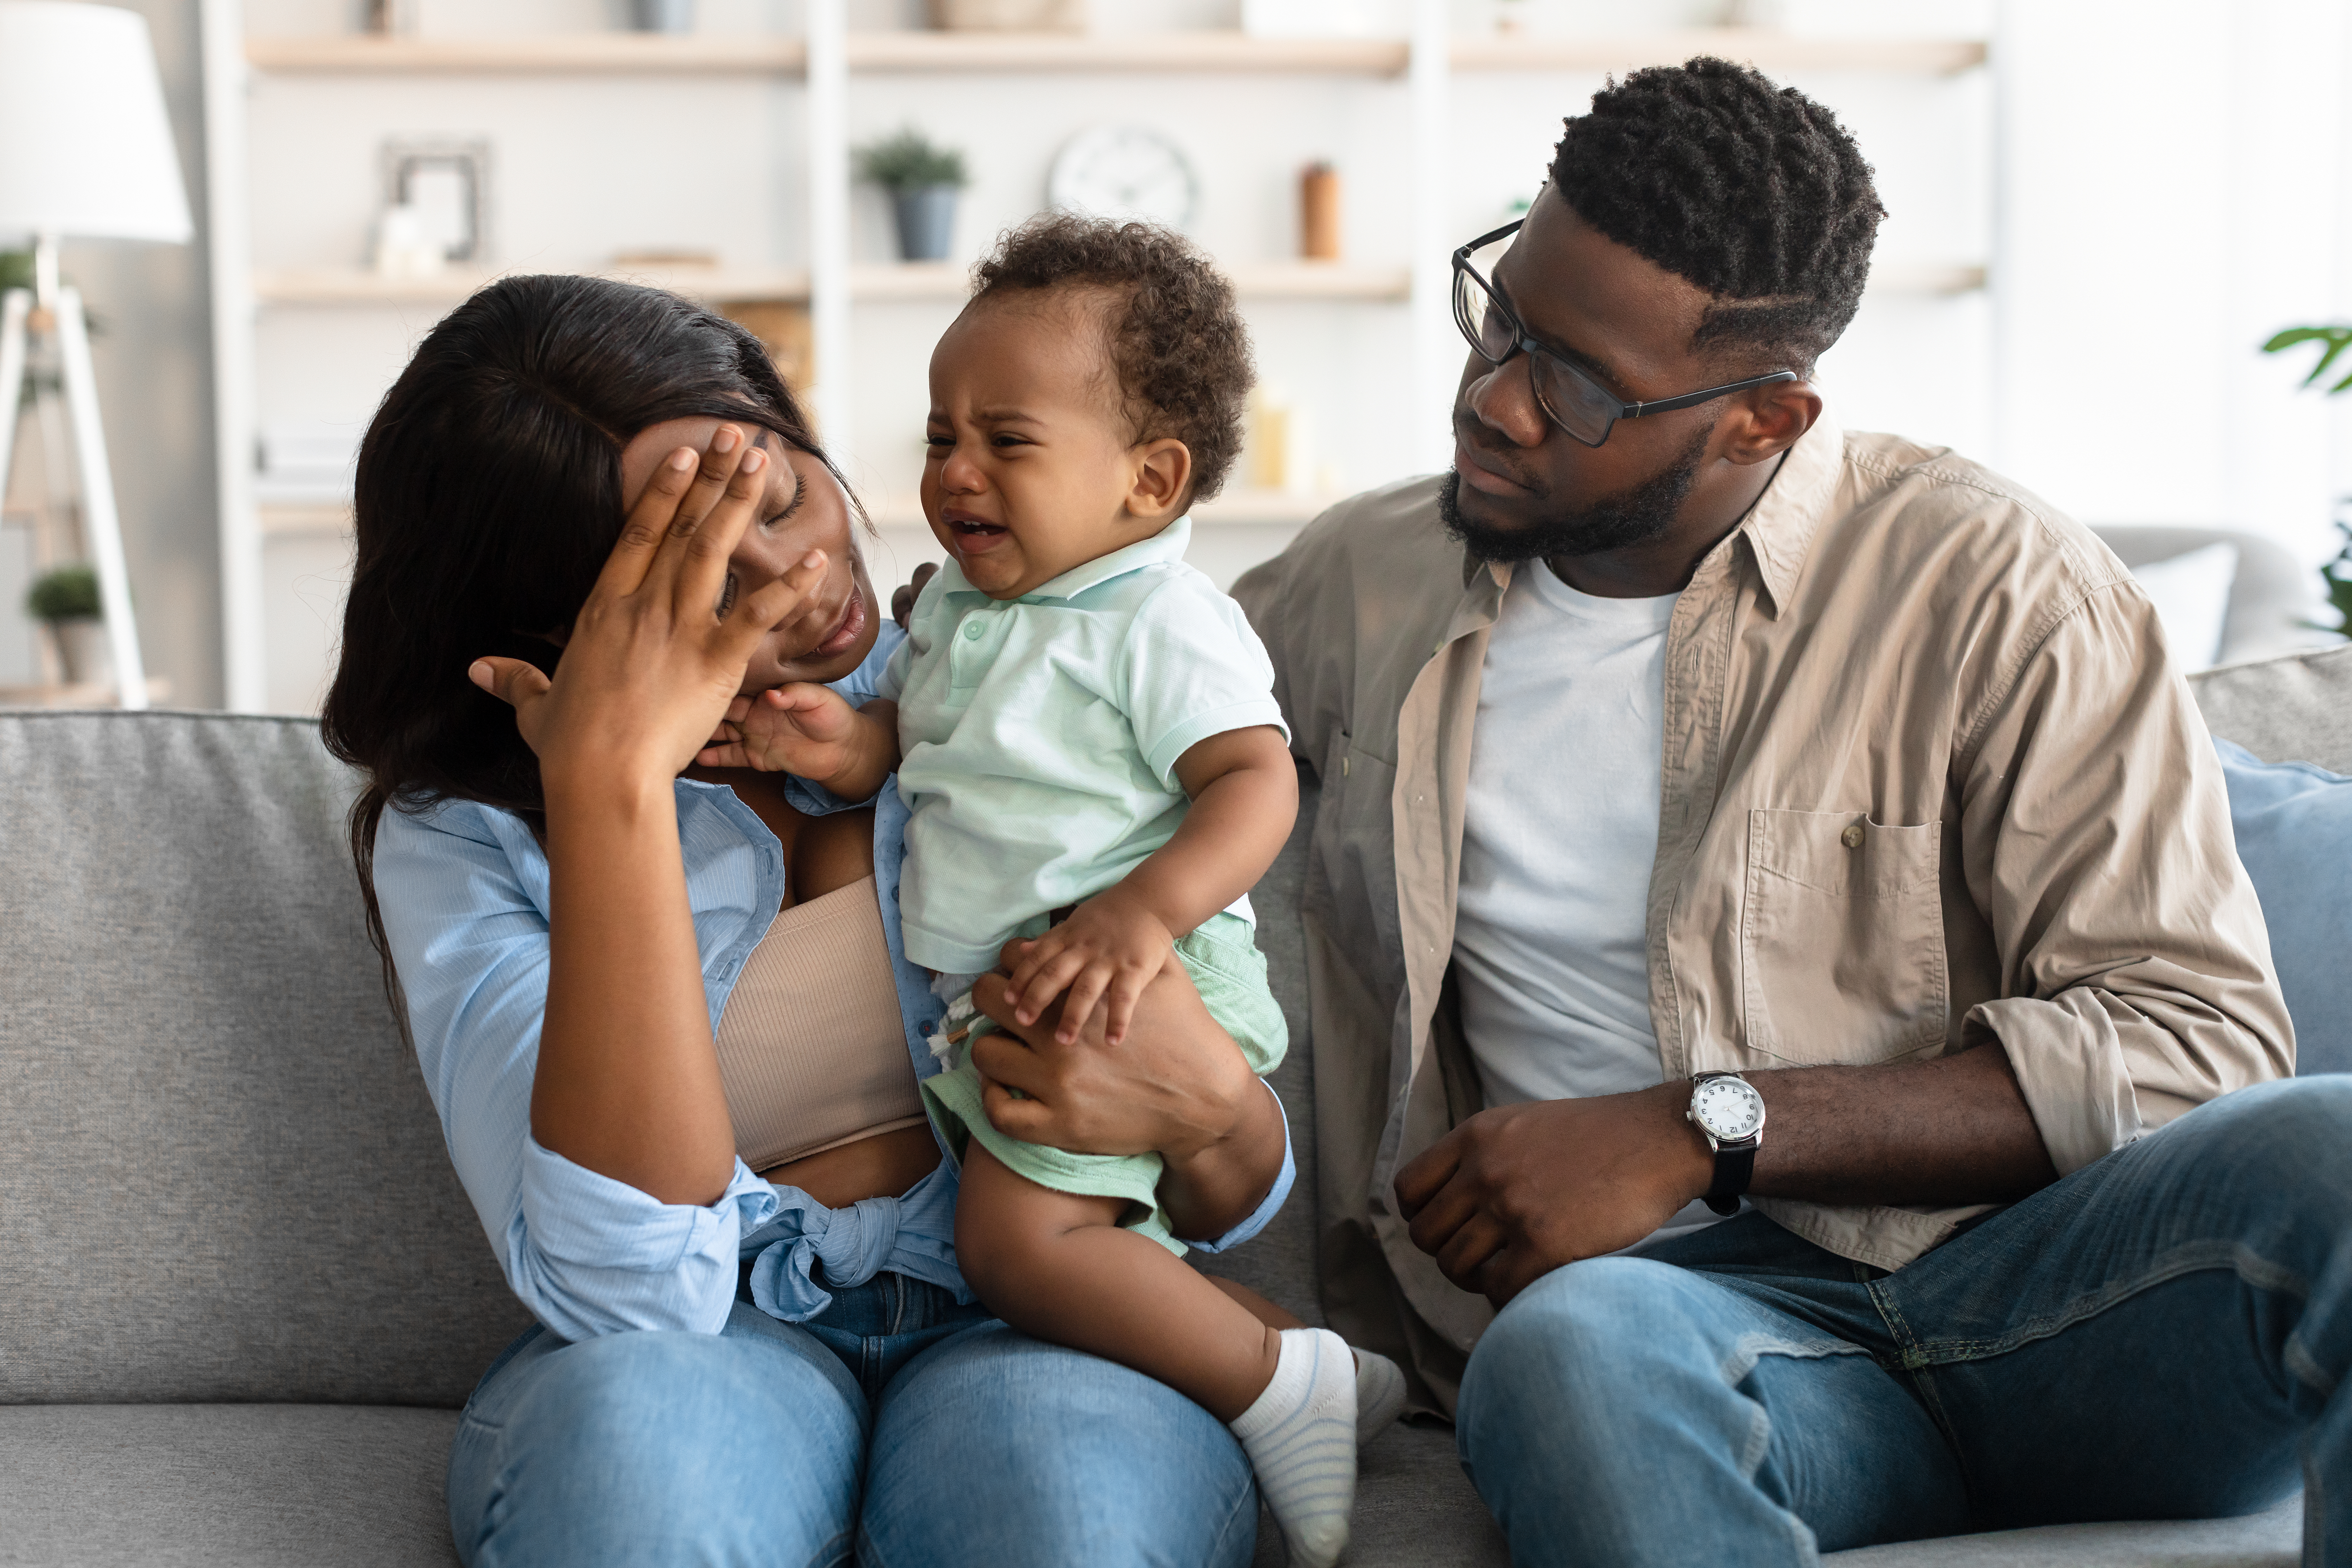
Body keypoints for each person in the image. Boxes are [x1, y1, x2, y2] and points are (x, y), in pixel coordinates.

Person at [1232, 56, 2352, 1565]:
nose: (1493, 400)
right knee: (1565, 1354)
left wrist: (1703, 1129)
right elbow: (1114, 698)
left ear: (1766, 417)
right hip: (1674, 1335)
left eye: (1575, 382)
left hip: (2050, 1305)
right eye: (1502, 314)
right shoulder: (1356, 585)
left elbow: (2193, 1040)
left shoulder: (2003, 587)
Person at [319, 272, 1301, 1568]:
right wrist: (610, 784)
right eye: (706, 572)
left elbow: (1230, 1197)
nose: (800, 575)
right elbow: (629, 1293)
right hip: (717, 1335)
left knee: (1069, 1525)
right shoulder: (470, 837)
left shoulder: (987, 671)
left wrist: (1217, 1112)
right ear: (562, 629)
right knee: (637, 1507)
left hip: (1030, 1303)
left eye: (783, 496)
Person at [715, 215, 1398, 1568]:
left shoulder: (1161, 621)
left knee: (1020, 1247)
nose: (955, 473)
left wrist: (1141, 918)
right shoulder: (964, 614)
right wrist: (837, 746)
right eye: (936, 436)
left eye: (1007, 441)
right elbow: (925, 753)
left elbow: (1256, 784)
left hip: (1133, 982)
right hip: (1015, 993)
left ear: (1150, 481)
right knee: (1027, 1231)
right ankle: (1268, 1362)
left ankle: (1280, 1378)